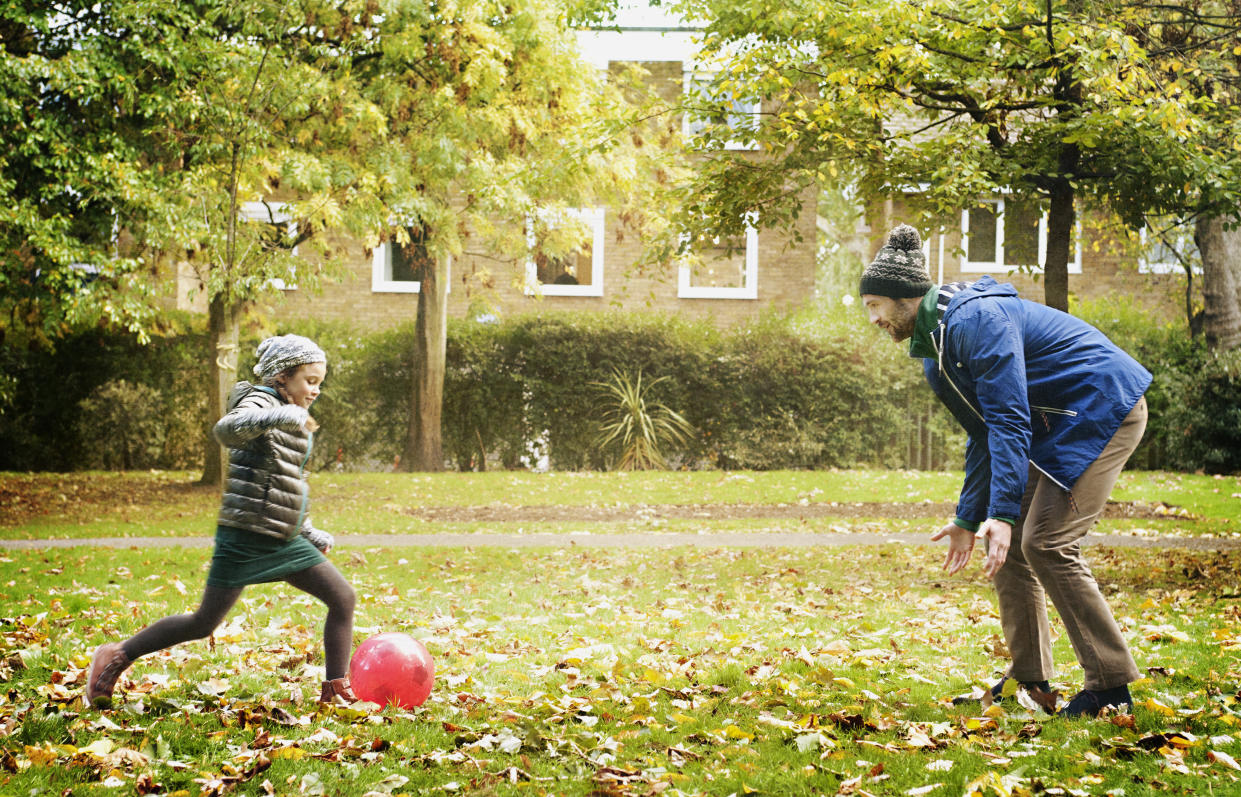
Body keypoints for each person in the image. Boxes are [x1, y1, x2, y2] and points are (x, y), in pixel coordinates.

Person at [859, 224, 1152, 718]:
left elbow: (1009, 419)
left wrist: (1002, 511)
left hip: (1104, 408)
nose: (873, 319)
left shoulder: (976, 321)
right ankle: (1032, 680)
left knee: (1047, 541)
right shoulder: (938, 352)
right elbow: (984, 434)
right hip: (1054, 422)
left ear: (904, 297)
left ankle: (1109, 684)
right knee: (1013, 542)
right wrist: (971, 517)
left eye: (875, 306)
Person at [85, 334, 358, 707]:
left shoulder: (293, 411)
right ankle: (115, 656)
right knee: (203, 624)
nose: (315, 391)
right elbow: (226, 430)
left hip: (282, 535)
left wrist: (306, 530)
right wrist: (280, 413)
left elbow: (290, 479)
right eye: (310, 381)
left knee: (342, 597)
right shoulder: (261, 401)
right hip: (246, 534)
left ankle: (335, 690)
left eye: (319, 383)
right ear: (282, 375)